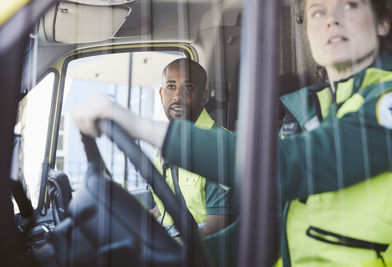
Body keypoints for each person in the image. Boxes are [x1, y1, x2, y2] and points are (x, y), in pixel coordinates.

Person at [72, 0, 392, 265]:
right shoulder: (315, 110)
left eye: (350, 5)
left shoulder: (385, 102)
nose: (332, 21)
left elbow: (283, 166)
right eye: (318, 12)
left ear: (382, 23)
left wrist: (135, 124)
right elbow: (267, 229)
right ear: (307, 31)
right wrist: (179, 257)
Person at [151, 58, 235, 238]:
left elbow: (217, 228)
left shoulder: (220, 147)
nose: (177, 96)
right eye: (171, 87)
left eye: (188, 88)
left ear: (204, 96)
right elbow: (164, 207)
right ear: (161, 94)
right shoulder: (164, 146)